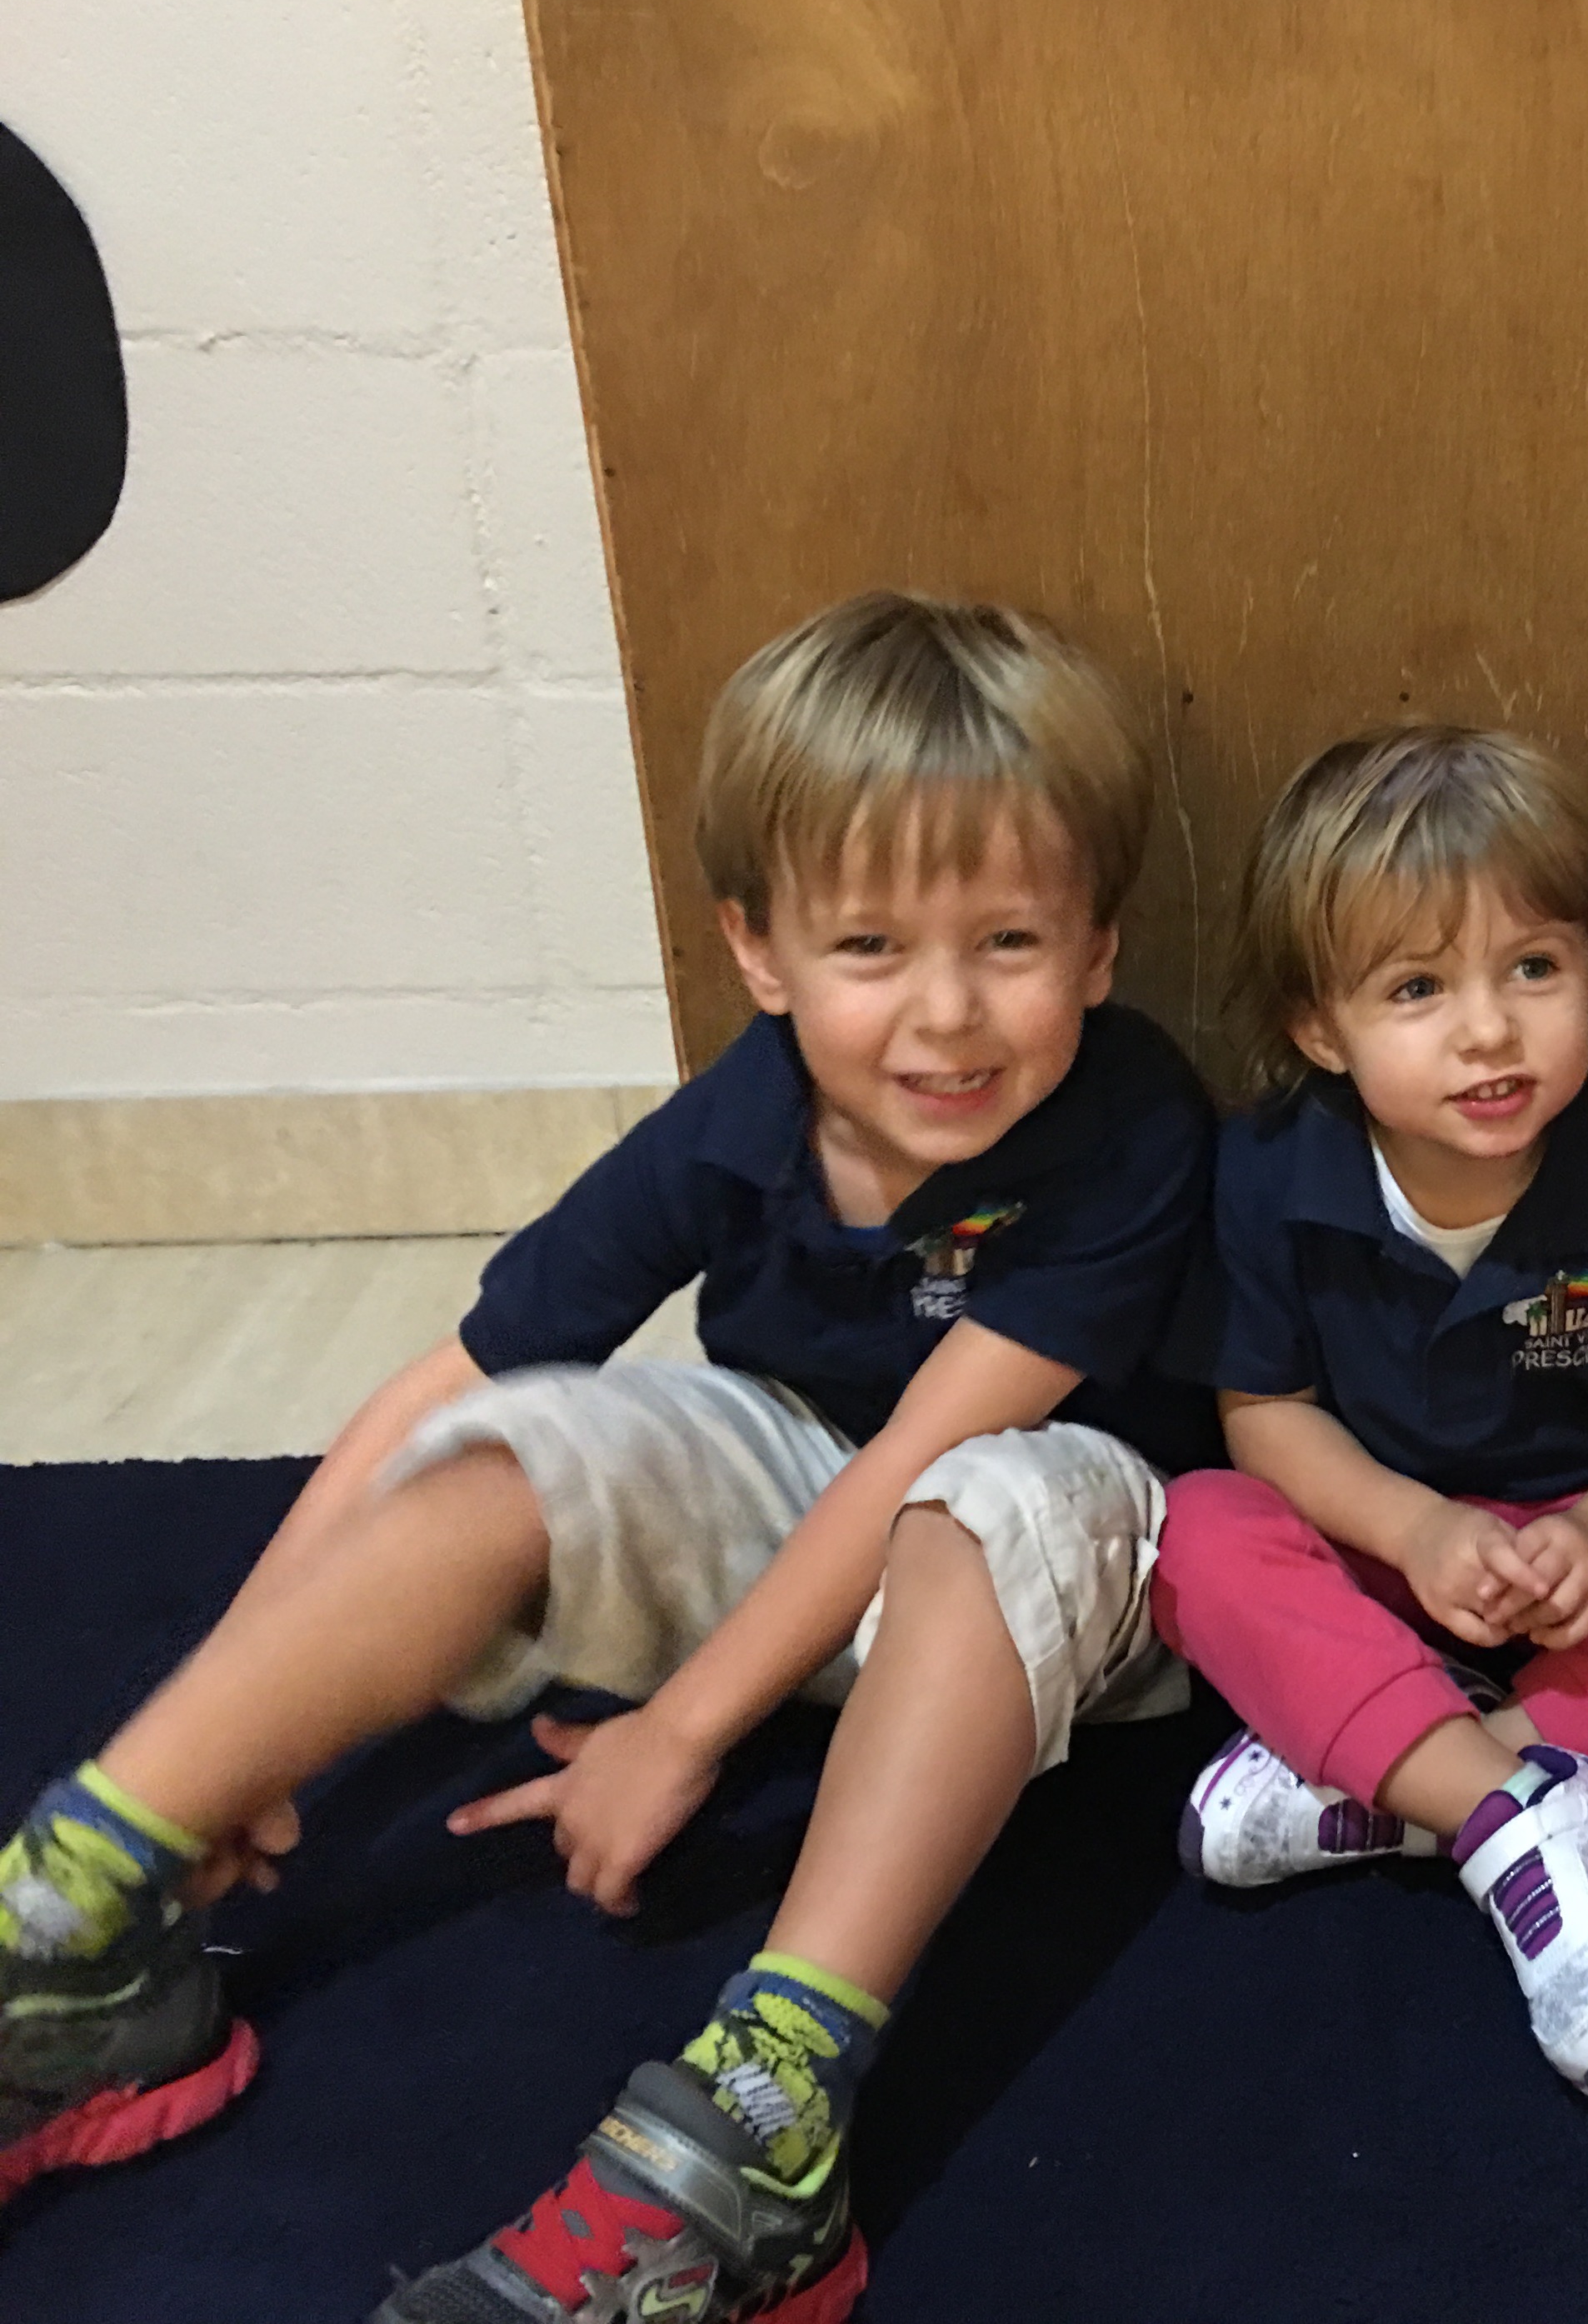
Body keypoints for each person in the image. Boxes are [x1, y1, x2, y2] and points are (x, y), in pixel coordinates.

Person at [0, 592, 1218, 2324]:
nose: (947, 1015)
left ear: (1097, 950)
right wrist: (241, 1731)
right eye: (872, 947)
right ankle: (81, 1926)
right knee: (534, 1429)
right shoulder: (745, 1111)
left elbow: (925, 1460)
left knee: (988, 1491)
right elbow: (456, 1382)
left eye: (1008, 943)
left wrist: (680, 1731)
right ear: (761, 953)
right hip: (816, 1504)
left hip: (1073, 1577)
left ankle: (770, 2129)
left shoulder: (1135, 1123)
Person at [1153, 726, 1588, 2097]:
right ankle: (1528, 1814)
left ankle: (1430, 1785)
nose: (1489, 1029)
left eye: (1533, 969)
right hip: (1383, 1564)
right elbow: (1265, 1413)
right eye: (1419, 987)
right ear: (1321, 1026)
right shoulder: (1267, 1177)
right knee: (1195, 1528)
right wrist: (1418, 1530)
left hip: (1586, 1579)